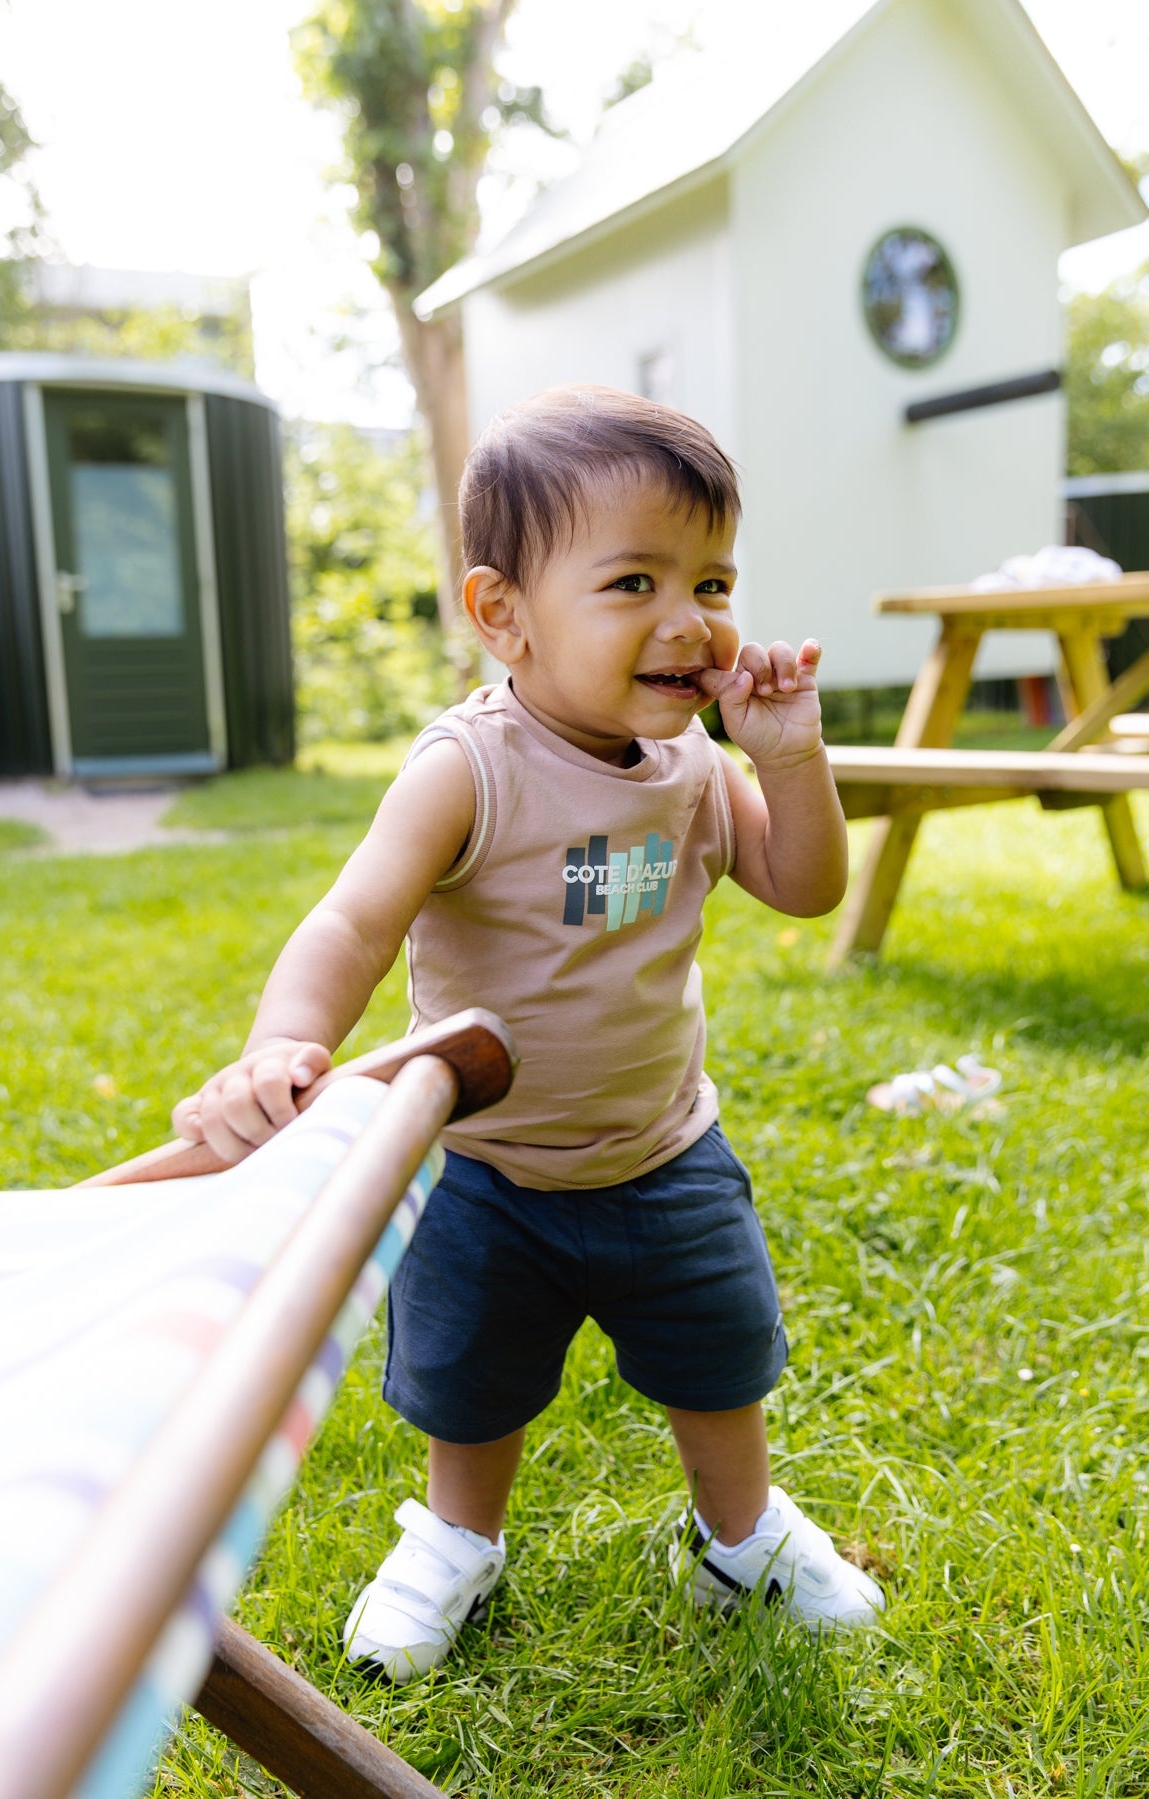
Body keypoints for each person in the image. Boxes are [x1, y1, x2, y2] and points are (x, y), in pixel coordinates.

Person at [173, 385, 884, 1684]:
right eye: (633, 582)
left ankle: (743, 1539)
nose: (692, 620)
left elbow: (807, 885)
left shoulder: (694, 770)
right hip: (489, 1172)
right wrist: (284, 1045)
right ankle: (457, 1541)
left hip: (667, 1153)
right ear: (504, 613)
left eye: (713, 581)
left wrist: (786, 756)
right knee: (470, 1381)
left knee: (721, 1358)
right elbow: (353, 922)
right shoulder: (469, 769)